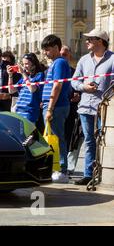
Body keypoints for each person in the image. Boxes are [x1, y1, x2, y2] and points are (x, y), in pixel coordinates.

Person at [71, 29, 114, 186]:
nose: (86, 41)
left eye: (90, 39)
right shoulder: (83, 60)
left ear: (100, 41)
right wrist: (84, 87)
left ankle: (105, 173)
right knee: (89, 141)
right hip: (85, 107)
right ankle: (88, 174)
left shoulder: (112, 59)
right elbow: (74, 81)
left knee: (105, 141)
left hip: (105, 108)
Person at [41, 34, 72, 183]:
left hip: (56, 107)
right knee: (52, 138)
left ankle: (61, 170)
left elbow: (57, 85)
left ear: (55, 48)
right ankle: (55, 168)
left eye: (47, 49)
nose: (45, 53)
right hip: (53, 105)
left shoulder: (59, 62)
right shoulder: (55, 63)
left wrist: (50, 108)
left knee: (57, 138)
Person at [61, 45, 83, 175]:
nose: (64, 56)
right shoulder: (50, 71)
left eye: (66, 54)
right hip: (57, 109)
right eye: (62, 54)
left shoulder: (74, 71)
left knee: (70, 138)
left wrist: (78, 96)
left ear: (69, 56)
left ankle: (68, 167)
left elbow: (79, 88)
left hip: (71, 110)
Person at [8, 53, 45, 124]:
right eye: (23, 64)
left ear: (34, 64)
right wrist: (10, 76)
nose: (24, 66)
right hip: (18, 111)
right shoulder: (25, 77)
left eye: (27, 64)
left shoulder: (39, 75)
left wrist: (23, 73)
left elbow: (32, 89)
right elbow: (11, 90)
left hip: (29, 112)